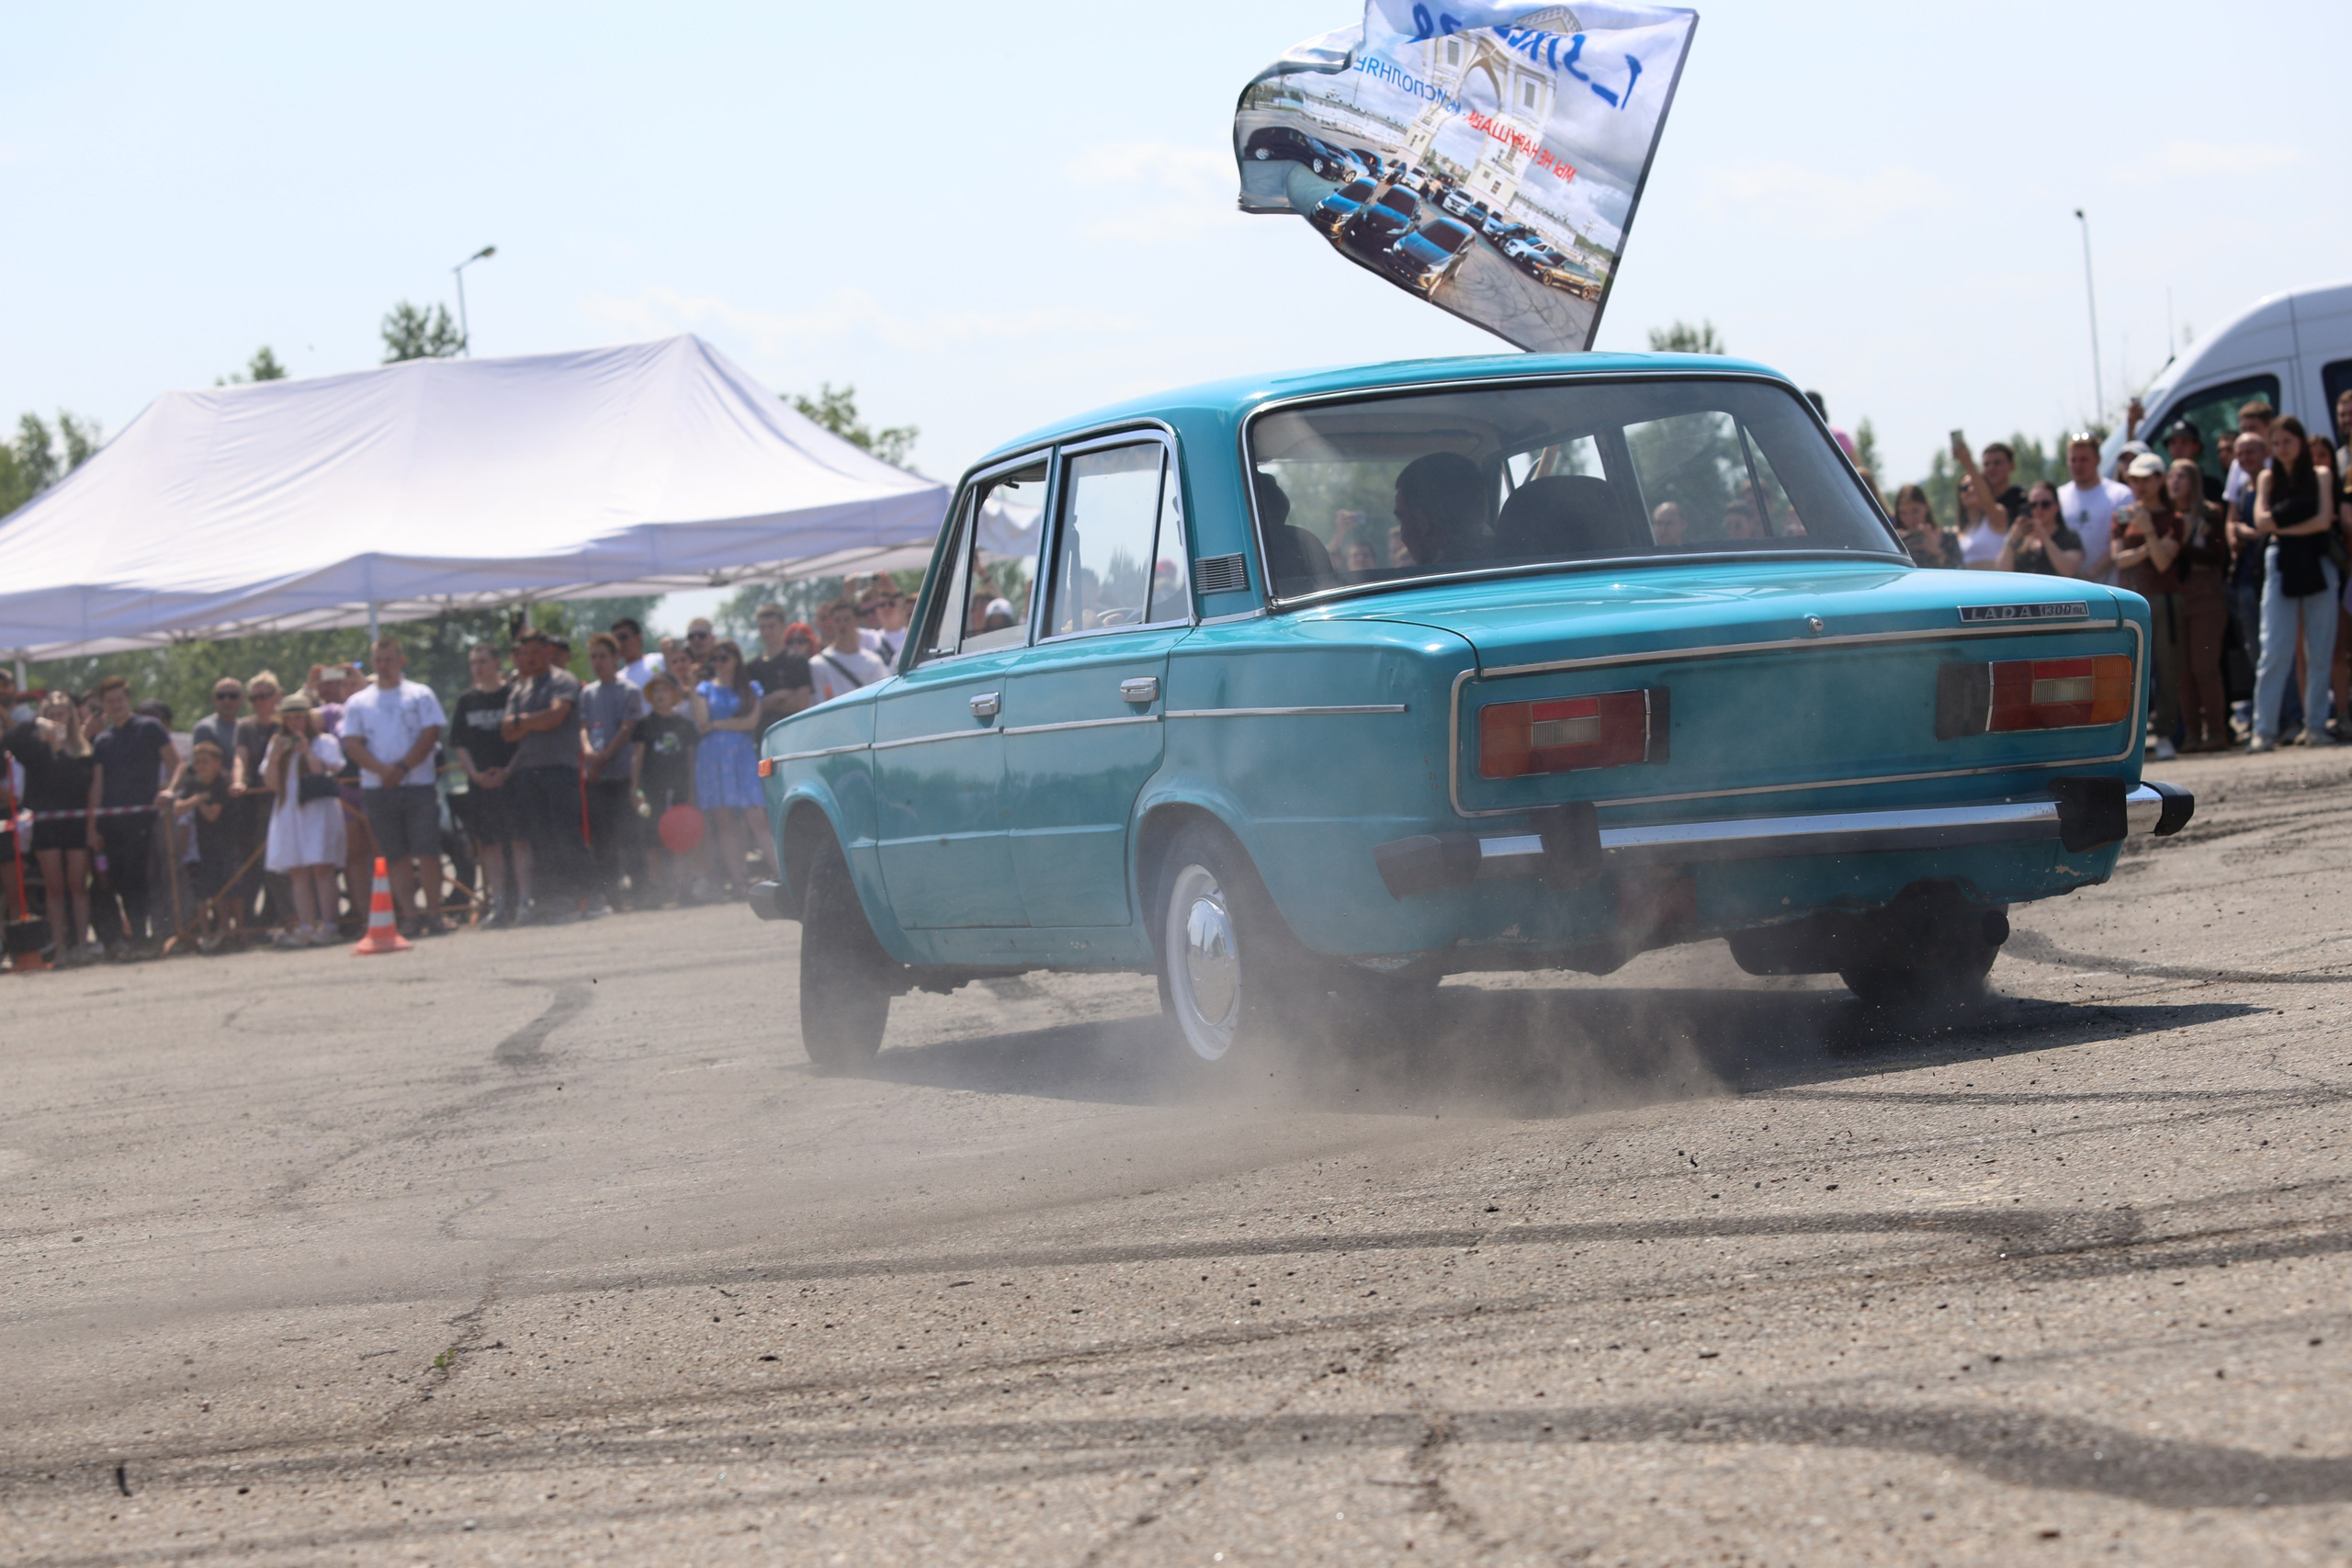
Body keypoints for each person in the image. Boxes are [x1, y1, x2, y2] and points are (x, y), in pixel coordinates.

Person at [336, 636, 448, 937]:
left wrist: (403, 767)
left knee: (427, 849)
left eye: (389, 660)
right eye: (379, 661)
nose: (384, 666)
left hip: (418, 783)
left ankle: (435, 913)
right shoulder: (359, 702)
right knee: (394, 854)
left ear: (400, 661)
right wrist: (382, 770)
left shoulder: (420, 695)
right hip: (378, 787)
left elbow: (431, 732)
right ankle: (410, 915)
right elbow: (353, 744)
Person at [2250, 416, 2340, 751]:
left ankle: (2315, 726)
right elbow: (2259, 521)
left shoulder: (2320, 474)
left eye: (2288, 441)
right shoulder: (2267, 477)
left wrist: (2281, 525)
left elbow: (2322, 520)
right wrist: (2285, 526)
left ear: (2301, 442)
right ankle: (2264, 731)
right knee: (2274, 649)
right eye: (2277, 443)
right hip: (2281, 561)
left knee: (2318, 649)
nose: (2282, 448)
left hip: (2318, 561)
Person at [501, 629, 593, 922]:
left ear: (548, 652)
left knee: (566, 833)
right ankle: (556, 898)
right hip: (530, 770)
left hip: (560, 767)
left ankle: (592, 895)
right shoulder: (520, 689)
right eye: (525, 653)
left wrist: (522, 722)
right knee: (541, 839)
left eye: (536, 651)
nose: (530, 658)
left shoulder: (562, 680)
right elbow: (506, 732)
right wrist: (532, 722)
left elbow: (556, 717)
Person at [85, 675, 179, 956]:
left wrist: (170, 791)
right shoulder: (102, 741)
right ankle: (136, 937)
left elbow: (177, 763)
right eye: (109, 701)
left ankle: (154, 934)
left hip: (146, 819)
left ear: (128, 700)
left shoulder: (149, 727)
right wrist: (92, 826)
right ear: (103, 705)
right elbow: (97, 785)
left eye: (119, 699)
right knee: (121, 880)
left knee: (146, 876)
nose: (115, 705)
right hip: (113, 823)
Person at [6, 693, 97, 962]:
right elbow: (8, 740)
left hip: (76, 823)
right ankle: (60, 948)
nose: (58, 718)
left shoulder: (83, 748)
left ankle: (82, 943)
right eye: (52, 713)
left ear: (71, 714)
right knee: (54, 887)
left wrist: (92, 827)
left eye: (62, 713)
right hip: (46, 825)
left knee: (78, 885)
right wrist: (37, 725)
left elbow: (88, 786)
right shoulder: (33, 748)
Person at [2112, 453, 2186, 760]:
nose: (2139, 485)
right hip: (2133, 600)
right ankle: (2128, 739)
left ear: (2159, 479)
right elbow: (2119, 559)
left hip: (2164, 600)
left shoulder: (2174, 519)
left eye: (2145, 479)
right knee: (2129, 671)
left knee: (2168, 669)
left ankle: (2167, 734)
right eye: (2134, 479)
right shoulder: (2122, 516)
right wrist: (2147, 544)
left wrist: (2148, 532)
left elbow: (2163, 561)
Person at [451, 641, 529, 927]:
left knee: (519, 840)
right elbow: (459, 744)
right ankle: (498, 905)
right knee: (491, 844)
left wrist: (509, 770)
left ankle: (524, 901)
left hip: (512, 780)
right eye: (474, 662)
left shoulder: (513, 695)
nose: (478, 668)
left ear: (497, 663)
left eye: (483, 661)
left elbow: (524, 739)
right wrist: (474, 774)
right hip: (481, 784)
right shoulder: (467, 700)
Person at [263, 692, 347, 946]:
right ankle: (306, 926)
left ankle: (331, 925)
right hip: (289, 810)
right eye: (290, 718)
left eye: (300, 717)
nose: (295, 723)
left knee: (322, 868)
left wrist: (307, 751)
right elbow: (270, 783)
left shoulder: (324, 742)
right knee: (297, 870)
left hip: (317, 810)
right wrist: (276, 756)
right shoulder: (276, 744)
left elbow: (326, 771)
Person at [691, 639, 773, 896]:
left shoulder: (750, 688)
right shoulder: (704, 689)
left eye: (724, 657)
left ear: (736, 659)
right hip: (713, 758)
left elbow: (750, 722)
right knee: (724, 820)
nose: (719, 663)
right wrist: (692, 685)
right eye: (714, 658)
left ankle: (781, 873)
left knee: (756, 815)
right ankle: (739, 880)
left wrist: (717, 725)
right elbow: (701, 721)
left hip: (741, 755)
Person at [579, 632, 648, 915]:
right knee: (602, 839)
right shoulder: (588, 693)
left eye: (603, 656)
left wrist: (604, 756)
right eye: (593, 657)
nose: (597, 662)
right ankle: (612, 895)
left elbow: (627, 727)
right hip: (596, 776)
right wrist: (588, 752)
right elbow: (582, 728)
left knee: (629, 834)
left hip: (621, 773)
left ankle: (641, 891)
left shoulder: (628, 690)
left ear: (615, 658)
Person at [2168, 457, 2233, 752]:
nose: (2174, 482)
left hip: (2206, 591)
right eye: (2171, 476)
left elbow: (2218, 557)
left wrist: (2181, 545)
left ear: (2193, 482)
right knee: (2182, 669)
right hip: (2177, 593)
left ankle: (2217, 732)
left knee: (2205, 665)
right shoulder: (2167, 516)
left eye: (2181, 476)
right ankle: (2192, 734)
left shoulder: (2210, 514)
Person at [634, 671, 700, 905]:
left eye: (665, 690)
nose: (660, 695)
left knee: (681, 837)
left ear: (674, 694)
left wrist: (692, 789)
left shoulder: (685, 725)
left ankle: (683, 887)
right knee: (653, 839)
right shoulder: (644, 724)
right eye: (656, 691)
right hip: (653, 787)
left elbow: (692, 761)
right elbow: (638, 758)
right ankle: (655, 888)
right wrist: (635, 790)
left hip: (680, 786)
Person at [2223, 431, 2271, 738]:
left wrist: (2245, 530)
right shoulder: (2242, 487)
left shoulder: (2270, 480)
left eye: (2251, 452)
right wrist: (2236, 531)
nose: (2245, 458)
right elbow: (2232, 525)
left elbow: (2265, 527)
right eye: (2240, 453)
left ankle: (2280, 714)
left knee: (2271, 649)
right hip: (2246, 577)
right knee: (2254, 649)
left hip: (2267, 576)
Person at [173, 741, 240, 952]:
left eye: (205, 762)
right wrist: (199, 798)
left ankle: (231, 931)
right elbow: (177, 809)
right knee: (208, 891)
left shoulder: (222, 782)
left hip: (228, 842)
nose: (200, 766)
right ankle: (209, 933)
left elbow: (212, 815)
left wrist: (195, 801)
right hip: (205, 846)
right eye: (197, 762)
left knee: (229, 890)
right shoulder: (194, 784)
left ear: (217, 763)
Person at [2057, 434, 2133, 583]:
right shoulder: (2058, 497)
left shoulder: (2121, 495)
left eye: (2084, 459)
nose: (2078, 466)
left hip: (2111, 588)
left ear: (2097, 460)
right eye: (2073, 460)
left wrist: (2092, 574)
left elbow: (2126, 538)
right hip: (2069, 588)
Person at [1393, 452, 1490, 568]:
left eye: (1403, 522)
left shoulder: (1428, 581)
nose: (1403, 537)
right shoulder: (1505, 558)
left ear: (1422, 522)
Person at [745, 604, 817, 728]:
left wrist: (764, 703)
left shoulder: (797, 662)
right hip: (763, 735)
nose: (767, 632)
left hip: (793, 731)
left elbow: (800, 704)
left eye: (772, 626)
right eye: (763, 627)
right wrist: (778, 696)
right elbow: (749, 708)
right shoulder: (751, 667)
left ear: (783, 626)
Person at [808, 600, 890, 705]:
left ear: (857, 620)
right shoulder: (818, 665)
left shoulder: (874, 663)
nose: (842, 624)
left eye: (847, 619)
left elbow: (883, 699)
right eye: (837, 620)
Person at [1996, 481, 2084, 577]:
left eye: (2045, 504)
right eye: (2033, 505)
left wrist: (2044, 537)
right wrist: (2011, 539)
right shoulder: (2021, 538)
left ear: (2057, 507)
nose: (2039, 509)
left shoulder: (2069, 538)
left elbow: (2068, 570)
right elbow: (2001, 572)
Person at [1891, 484, 1960, 568]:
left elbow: (1959, 571)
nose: (1910, 518)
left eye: (1915, 511)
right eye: (1903, 513)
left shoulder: (1947, 538)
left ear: (1926, 507)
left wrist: (1937, 552)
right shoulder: (1897, 542)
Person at [2162, 422, 2224, 503]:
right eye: (2173, 442)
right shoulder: (2162, 487)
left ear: (2197, 446)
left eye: (2184, 442)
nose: (2178, 447)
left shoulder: (2212, 486)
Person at [612, 617, 664, 689]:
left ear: (638, 638)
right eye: (616, 639)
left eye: (623, 637)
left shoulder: (660, 661)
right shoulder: (618, 679)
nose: (620, 643)